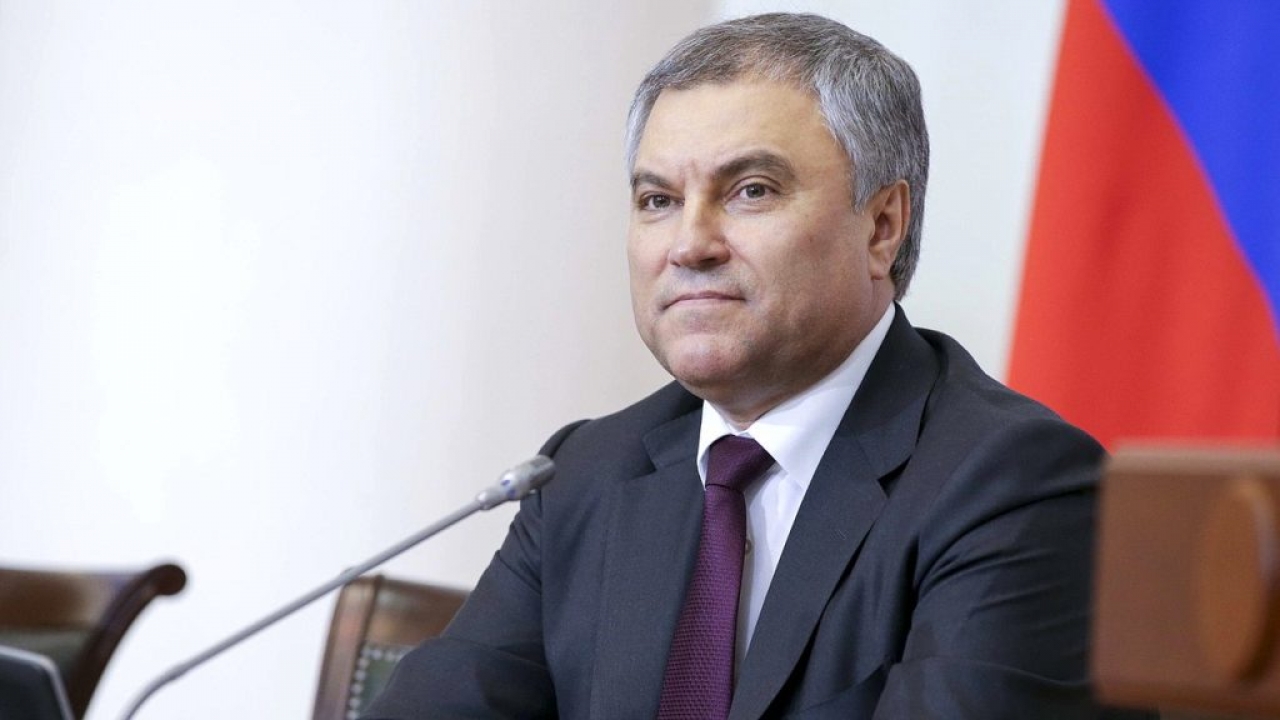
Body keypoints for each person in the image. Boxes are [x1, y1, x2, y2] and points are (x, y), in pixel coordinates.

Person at [364, 13, 1153, 719]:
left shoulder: (1013, 484)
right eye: (657, 200)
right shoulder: (585, 473)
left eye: (750, 190)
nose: (689, 244)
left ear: (882, 226)